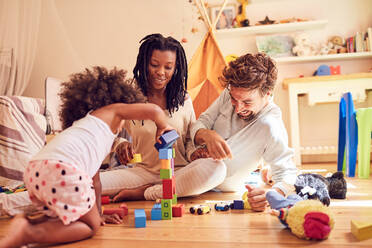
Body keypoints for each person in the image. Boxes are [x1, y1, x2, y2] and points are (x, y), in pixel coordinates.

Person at [0, 66, 173, 248]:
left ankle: (28, 225)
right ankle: (28, 233)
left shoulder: (84, 130)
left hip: (36, 169)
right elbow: (154, 110)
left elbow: (94, 183)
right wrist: (162, 126)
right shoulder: (112, 111)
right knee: (90, 227)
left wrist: (98, 214)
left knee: (61, 218)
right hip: (62, 170)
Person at [99, 34, 226, 201]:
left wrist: (194, 154)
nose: (160, 72)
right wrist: (120, 144)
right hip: (142, 172)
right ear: (144, 64)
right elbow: (105, 133)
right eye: (154, 65)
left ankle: (145, 193)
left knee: (217, 168)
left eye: (168, 67)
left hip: (179, 173)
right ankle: (162, 190)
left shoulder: (183, 99)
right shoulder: (129, 99)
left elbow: (188, 140)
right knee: (87, 183)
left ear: (175, 69)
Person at [190, 53, 298, 212]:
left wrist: (270, 195)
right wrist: (205, 134)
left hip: (217, 181)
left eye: (247, 102)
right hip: (193, 163)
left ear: (267, 94)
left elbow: (288, 174)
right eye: (234, 99)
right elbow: (201, 122)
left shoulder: (270, 124)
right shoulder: (229, 93)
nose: (238, 108)